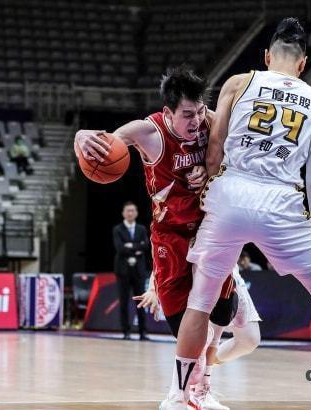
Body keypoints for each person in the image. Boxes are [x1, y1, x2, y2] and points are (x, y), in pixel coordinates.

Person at [167, 18, 311, 409]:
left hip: (231, 192)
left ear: (267, 56)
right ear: (303, 64)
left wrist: (208, 198)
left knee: (201, 302)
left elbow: (214, 148)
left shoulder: (240, 83)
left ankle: (178, 396)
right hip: (282, 202)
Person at [75, 66, 260, 410]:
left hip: (210, 230)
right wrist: (81, 136)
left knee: (219, 316)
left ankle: (194, 393)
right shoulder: (150, 132)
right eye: (187, 114)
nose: (196, 120)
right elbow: (109, 140)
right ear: (168, 112)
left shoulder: (211, 122)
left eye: (200, 111)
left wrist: (213, 170)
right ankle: (183, 393)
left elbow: (240, 157)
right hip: (170, 237)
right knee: (186, 327)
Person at [112, 201, 150, 340]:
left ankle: (143, 332)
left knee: (141, 301)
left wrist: (130, 246)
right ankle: (126, 331)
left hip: (138, 270)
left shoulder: (141, 229)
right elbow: (120, 248)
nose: (130, 213)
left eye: (132, 210)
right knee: (123, 301)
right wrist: (137, 248)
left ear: (136, 213)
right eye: (127, 210)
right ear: (123, 213)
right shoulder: (118, 229)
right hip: (123, 270)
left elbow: (146, 246)